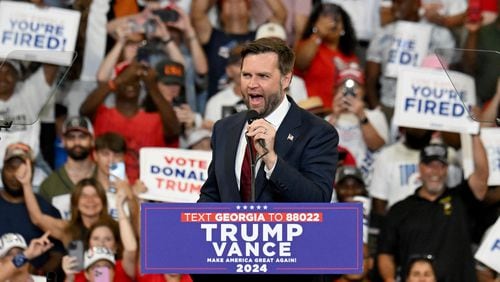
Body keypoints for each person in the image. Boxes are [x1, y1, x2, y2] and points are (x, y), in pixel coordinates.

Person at [194, 37, 338, 282]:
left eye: (263, 76)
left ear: (286, 79)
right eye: (246, 75)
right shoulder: (225, 129)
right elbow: (213, 194)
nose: (252, 85)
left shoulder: (318, 132)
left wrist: (272, 160)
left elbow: (317, 201)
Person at [377, 139, 489, 282]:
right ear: (420, 168)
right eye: (430, 165)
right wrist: (389, 278)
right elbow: (385, 252)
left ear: (447, 169)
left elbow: (482, 175)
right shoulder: (399, 210)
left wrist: (474, 133)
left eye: (441, 165)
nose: (435, 171)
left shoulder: (461, 200)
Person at [80, 61, 181, 182]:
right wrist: (116, 81)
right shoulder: (102, 115)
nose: (130, 82)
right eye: (126, 77)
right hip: (107, 189)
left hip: (145, 192)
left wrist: (152, 86)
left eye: (135, 80)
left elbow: (174, 130)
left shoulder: (155, 120)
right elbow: (84, 110)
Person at [0, 143, 65, 274]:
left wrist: (38, 274)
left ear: (33, 171)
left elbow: (58, 254)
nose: (16, 174)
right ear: (2, 169)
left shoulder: (47, 209)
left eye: (23, 168)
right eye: (11, 168)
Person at [326, 64, 388, 183]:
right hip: (334, 184)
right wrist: (334, 116)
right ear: (336, 90)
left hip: (367, 182)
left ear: (363, 91)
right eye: (344, 87)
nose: (350, 93)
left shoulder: (376, 116)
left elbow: (376, 145)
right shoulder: (328, 120)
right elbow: (319, 145)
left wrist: (361, 115)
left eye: (356, 87)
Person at [294, 2, 358, 110]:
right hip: (313, 113)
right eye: (325, 17)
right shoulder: (308, 45)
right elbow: (299, 63)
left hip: (341, 115)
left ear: (343, 28)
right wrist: (318, 34)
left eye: (337, 19)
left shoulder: (350, 57)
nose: (332, 22)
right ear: (315, 23)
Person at [39, 116, 96, 203]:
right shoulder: (49, 185)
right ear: (63, 141)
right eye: (71, 137)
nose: (77, 142)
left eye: (82, 137)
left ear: (92, 140)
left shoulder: (108, 178)